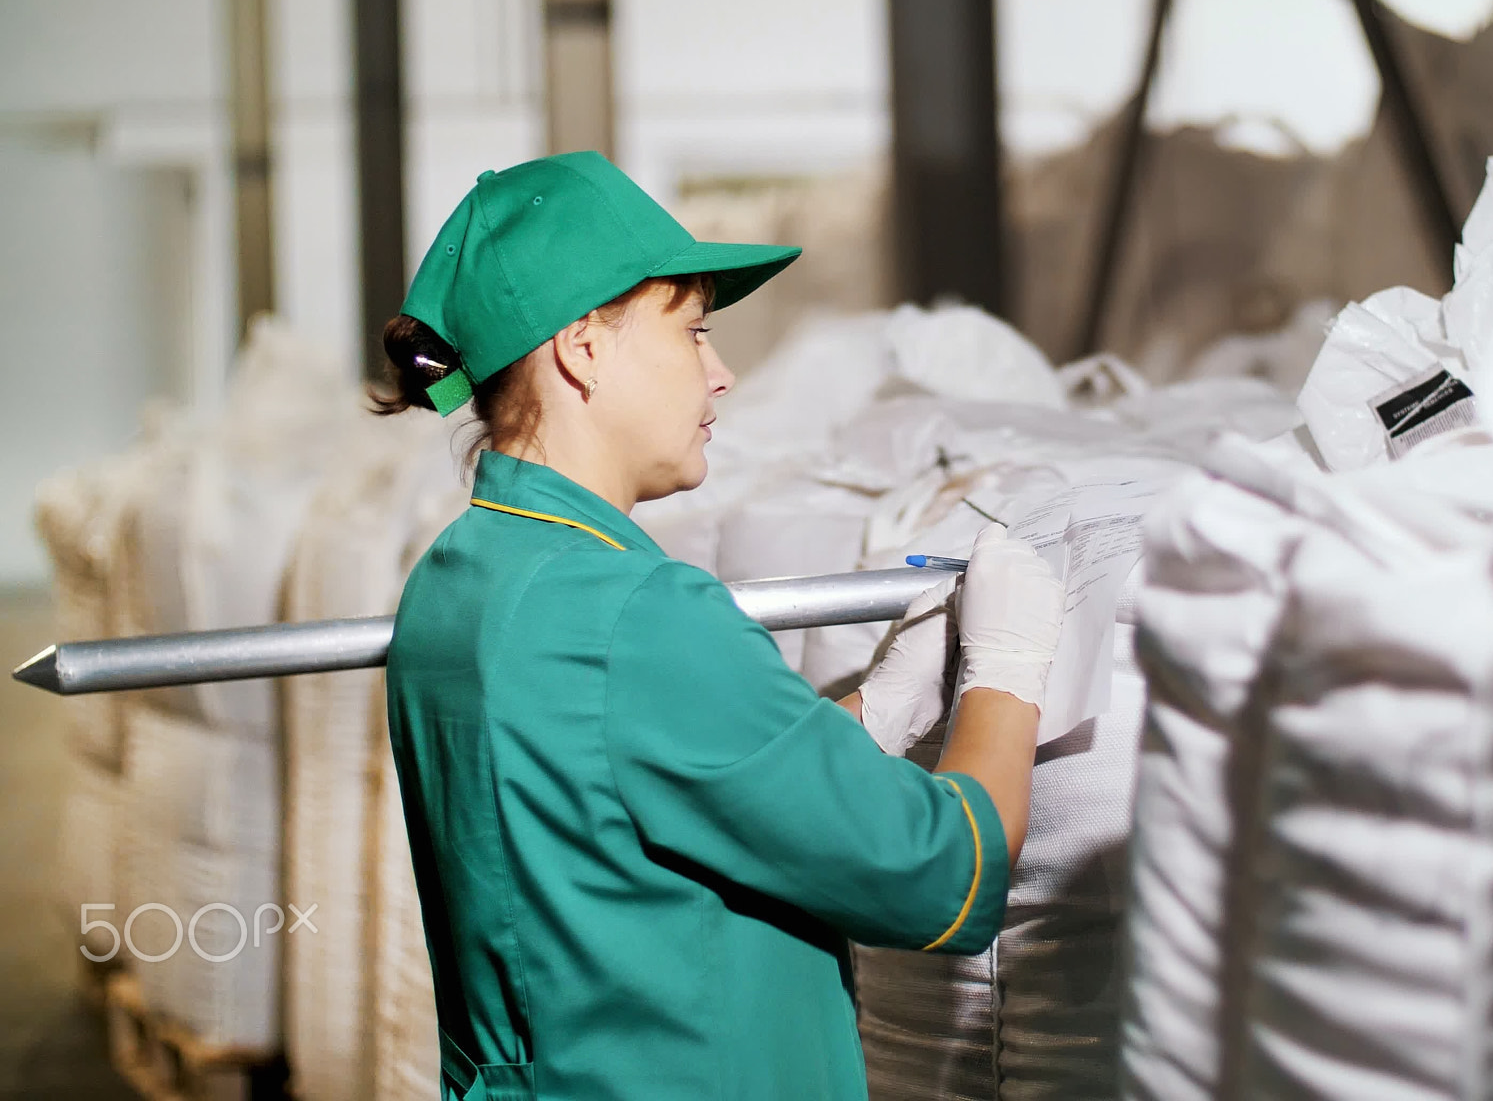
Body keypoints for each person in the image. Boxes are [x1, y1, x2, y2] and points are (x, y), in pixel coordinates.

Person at [372, 151, 1064, 1100]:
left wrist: (869, 715)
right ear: (583, 348)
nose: (722, 373)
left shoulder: (459, 580)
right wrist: (1006, 671)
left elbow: (640, 788)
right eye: (693, 333)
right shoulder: (637, 615)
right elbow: (941, 873)